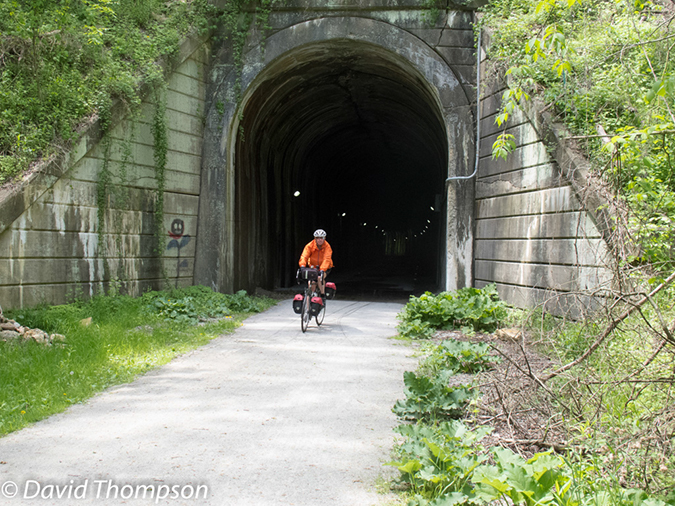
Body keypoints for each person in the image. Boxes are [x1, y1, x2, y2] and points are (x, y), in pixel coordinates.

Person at [299, 229, 333, 300]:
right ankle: (308, 309)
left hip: (325, 267)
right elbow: (304, 256)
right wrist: (302, 265)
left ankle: (323, 294)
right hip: (313, 267)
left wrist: (322, 269)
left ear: (324, 238)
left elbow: (326, 259)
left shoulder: (327, 247)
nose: (320, 240)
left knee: (319, 277)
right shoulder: (309, 245)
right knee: (310, 284)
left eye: (321, 238)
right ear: (315, 238)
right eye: (318, 238)